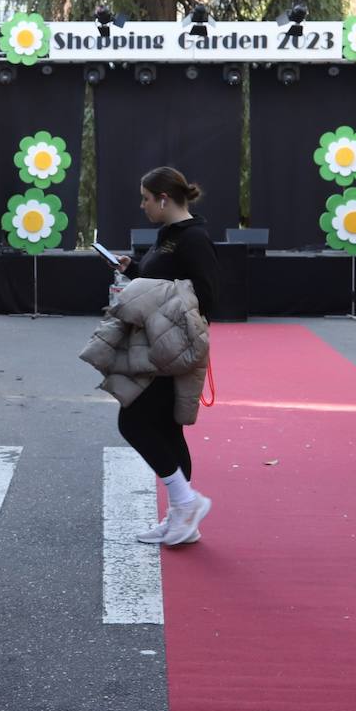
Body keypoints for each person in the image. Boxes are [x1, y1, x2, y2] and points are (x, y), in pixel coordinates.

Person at [112, 166, 219, 545]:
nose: (142, 206)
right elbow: (164, 281)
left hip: (171, 346)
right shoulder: (167, 236)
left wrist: (158, 304)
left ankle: (186, 503)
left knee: (133, 421)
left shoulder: (193, 238)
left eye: (145, 198)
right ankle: (182, 518)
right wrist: (134, 269)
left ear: (163, 198)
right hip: (157, 342)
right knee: (166, 428)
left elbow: (206, 296)